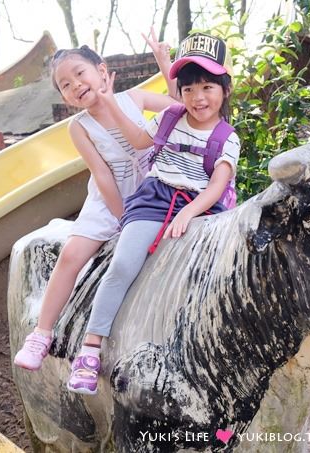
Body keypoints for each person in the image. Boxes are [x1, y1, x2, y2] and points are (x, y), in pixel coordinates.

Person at [66, 33, 241, 395]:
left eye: (207, 87)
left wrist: (189, 213)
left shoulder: (227, 137)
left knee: (211, 274)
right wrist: (110, 103)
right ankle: (90, 350)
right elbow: (137, 141)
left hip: (202, 207)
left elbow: (216, 187)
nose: (197, 97)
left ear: (224, 88)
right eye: (189, 89)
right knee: (123, 265)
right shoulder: (171, 116)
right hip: (155, 197)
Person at [13, 30, 178, 371]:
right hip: (109, 198)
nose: (74, 85)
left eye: (79, 73)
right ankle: (41, 334)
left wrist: (166, 67)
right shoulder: (80, 127)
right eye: (64, 85)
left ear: (101, 72)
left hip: (152, 186)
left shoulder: (135, 98)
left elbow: (181, 113)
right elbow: (102, 175)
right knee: (72, 253)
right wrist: (123, 219)